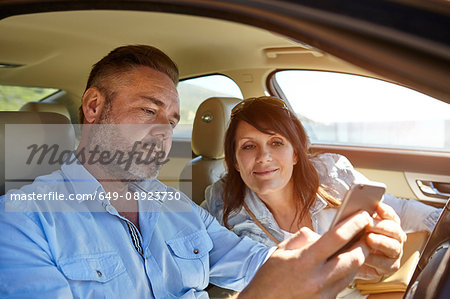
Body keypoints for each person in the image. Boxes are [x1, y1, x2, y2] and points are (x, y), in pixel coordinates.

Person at [0, 46, 400, 299]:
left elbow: (256, 263)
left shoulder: (178, 207)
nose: (162, 132)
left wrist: (344, 259)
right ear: (92, 107)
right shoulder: (21, 220)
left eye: (172, 120)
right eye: (148, 110)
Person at [203, 96, 440, 291]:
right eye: (248, 146)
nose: (263, 156)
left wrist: (444, 222)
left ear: (295, 154)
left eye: (276, 142)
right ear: (235, 161)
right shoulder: (219, 201)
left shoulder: (331, 173)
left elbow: (400, 210)